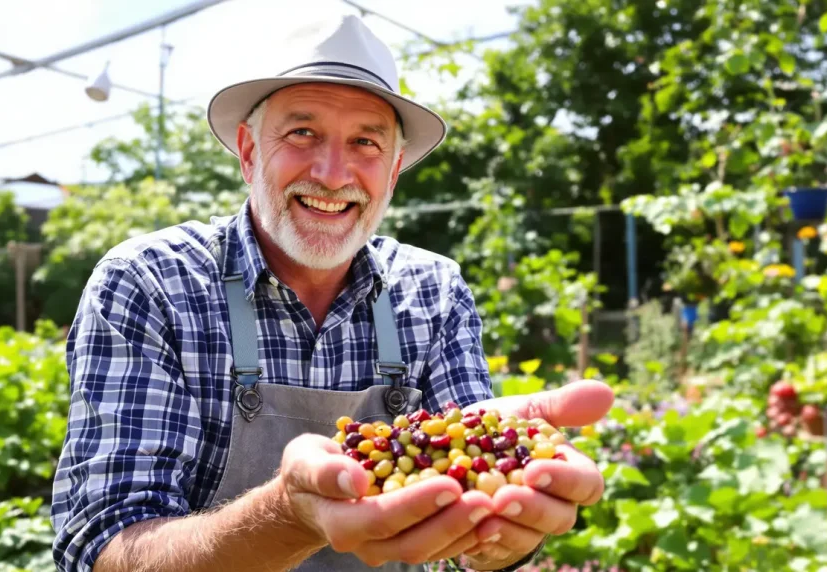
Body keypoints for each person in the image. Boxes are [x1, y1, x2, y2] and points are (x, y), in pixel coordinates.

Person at [50, 14, 614, 572]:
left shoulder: (433, 290)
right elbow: (104, 547)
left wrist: (498, 533)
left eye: (366, 142)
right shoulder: (151, 282)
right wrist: (288, 516)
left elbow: (465, 530)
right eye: (302, 133)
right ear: (248, 151)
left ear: (393, 172)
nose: (333, 172)